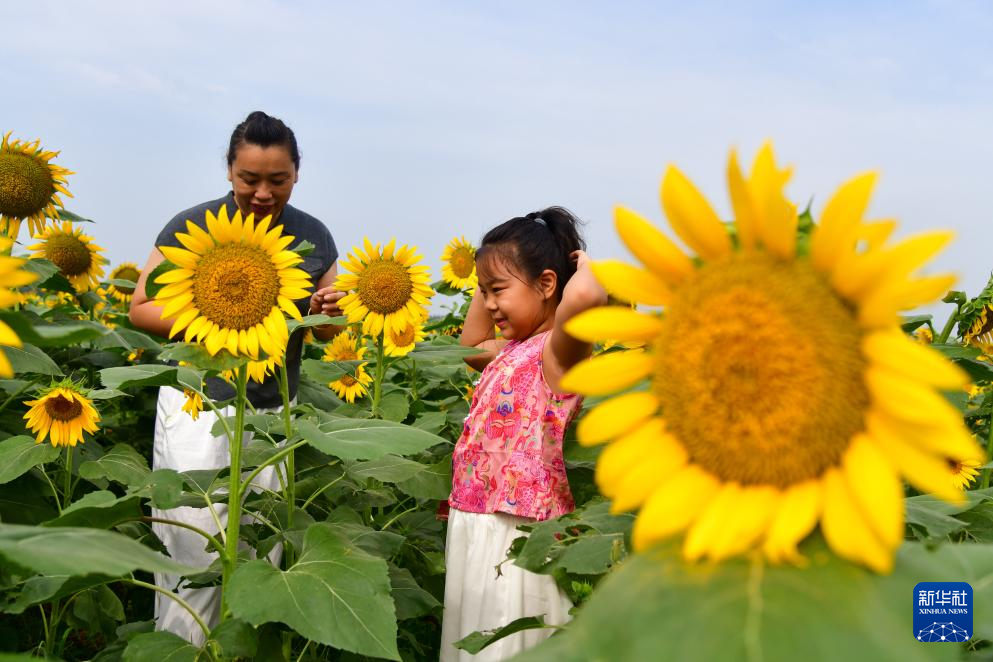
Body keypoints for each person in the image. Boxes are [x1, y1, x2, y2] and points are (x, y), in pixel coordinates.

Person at [129, 111, 345, 645]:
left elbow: (325, 333)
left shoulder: (313, 235)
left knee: (257, 552)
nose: (263, 193)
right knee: (193, 550)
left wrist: (324, 309)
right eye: (250, 179)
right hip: (198, 406)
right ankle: (186, 650)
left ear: (297, 174)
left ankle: (242, 652)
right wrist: (216, 316)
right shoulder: (192, 227)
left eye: (278, 180)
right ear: (229, 171)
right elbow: (141, 309)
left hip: (273, 417)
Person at [441, 207, 607, 660]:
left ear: (549, 284)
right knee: (475, 640)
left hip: (521, 534)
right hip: (476, 519)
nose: (490, 304)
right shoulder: (509, 350)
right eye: (483, 292)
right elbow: (469, 347)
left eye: (498, 291)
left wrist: (585, 270)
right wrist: (488, 272)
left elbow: (589, 298)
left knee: (512, 642)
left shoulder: (558, 354)